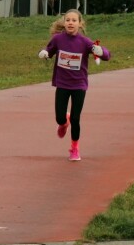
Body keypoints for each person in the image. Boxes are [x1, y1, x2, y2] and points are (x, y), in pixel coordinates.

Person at [38, 9, 110, 161]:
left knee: (76, 118)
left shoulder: (84, 42)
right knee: (59, 118)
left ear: (80, 23)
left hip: (79, 85)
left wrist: (101, 51)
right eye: (68, 20)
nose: (70, 23)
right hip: (62, 83)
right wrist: (44, 53)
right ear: (64, 23)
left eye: (74, 20)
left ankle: (74, 148)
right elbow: (48, 51)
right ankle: (64, 122)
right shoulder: (58, 39)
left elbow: (106, 55)